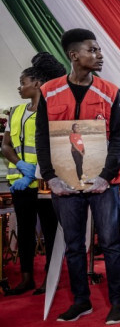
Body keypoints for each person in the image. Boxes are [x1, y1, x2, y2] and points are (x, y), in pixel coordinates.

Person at [35, 28, 120, 324]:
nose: (99, 55)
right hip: (63, 182)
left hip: (104, 183)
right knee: (73, 245)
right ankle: (81, 301)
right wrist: (50, 177)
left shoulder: (111, 91)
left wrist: (106, 176)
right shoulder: (49, 91)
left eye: (99, 50)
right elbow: (42, 137)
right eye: (93, 50)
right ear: (74, 55)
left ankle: (118, 303)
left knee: (111, 243)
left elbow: (118, 138)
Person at [1, 53, 64, 296]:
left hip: (46, 183)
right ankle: (26, 277)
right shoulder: (15, 111)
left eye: (23, 82)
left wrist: (36, 172)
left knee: (49, 230)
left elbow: (55, 147)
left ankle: (51, 276)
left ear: (37, 83)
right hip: (21, 183)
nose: (20, 87)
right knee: (25, 230)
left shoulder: (53, 111)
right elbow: (6, 145)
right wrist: (21, 166)